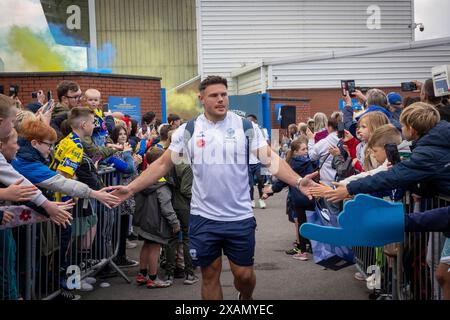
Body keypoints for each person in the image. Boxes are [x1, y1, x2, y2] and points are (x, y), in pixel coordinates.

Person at [110, 75, 319, 300]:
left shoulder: (245, 127)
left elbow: (271, 159)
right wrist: (130, 189)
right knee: (210, 275)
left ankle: (244, 299)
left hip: (239, 217)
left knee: (245, 276)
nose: (220, 99)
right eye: (214, 95)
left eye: (224, 94)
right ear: (202, 99)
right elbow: (162, 164)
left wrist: (298, 181)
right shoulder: (188, 130)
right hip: (204, 218)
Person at [134, 147, 180, 288]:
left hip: (144, 220)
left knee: (146, 245)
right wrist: (174, 222)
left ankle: (142, 274)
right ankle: (153, 277)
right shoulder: (162, 183)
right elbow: (166, 206)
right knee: (155, 247)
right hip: (156, 222)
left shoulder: (143, 177)